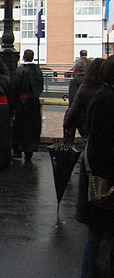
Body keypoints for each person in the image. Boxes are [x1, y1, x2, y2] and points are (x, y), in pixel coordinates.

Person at [80, 56, 114, 277]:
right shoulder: (107, 100)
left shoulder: (99, 94)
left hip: (97, 174)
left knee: (97, 235)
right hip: (105, 179)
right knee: (102, 236)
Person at [64, 58, 106, 225]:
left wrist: (68, 124)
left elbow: (73, 107)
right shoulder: (104, 90)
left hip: (87, 129)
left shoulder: (83, 87)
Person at [11, 49, 44, 162]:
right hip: (34, 103)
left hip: (22, 103)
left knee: (20, 127)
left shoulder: (20, 71)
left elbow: (15, 87)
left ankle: (18, 150)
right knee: (32, 127)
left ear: (23, 57)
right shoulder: (38, 71)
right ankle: (29, 151)